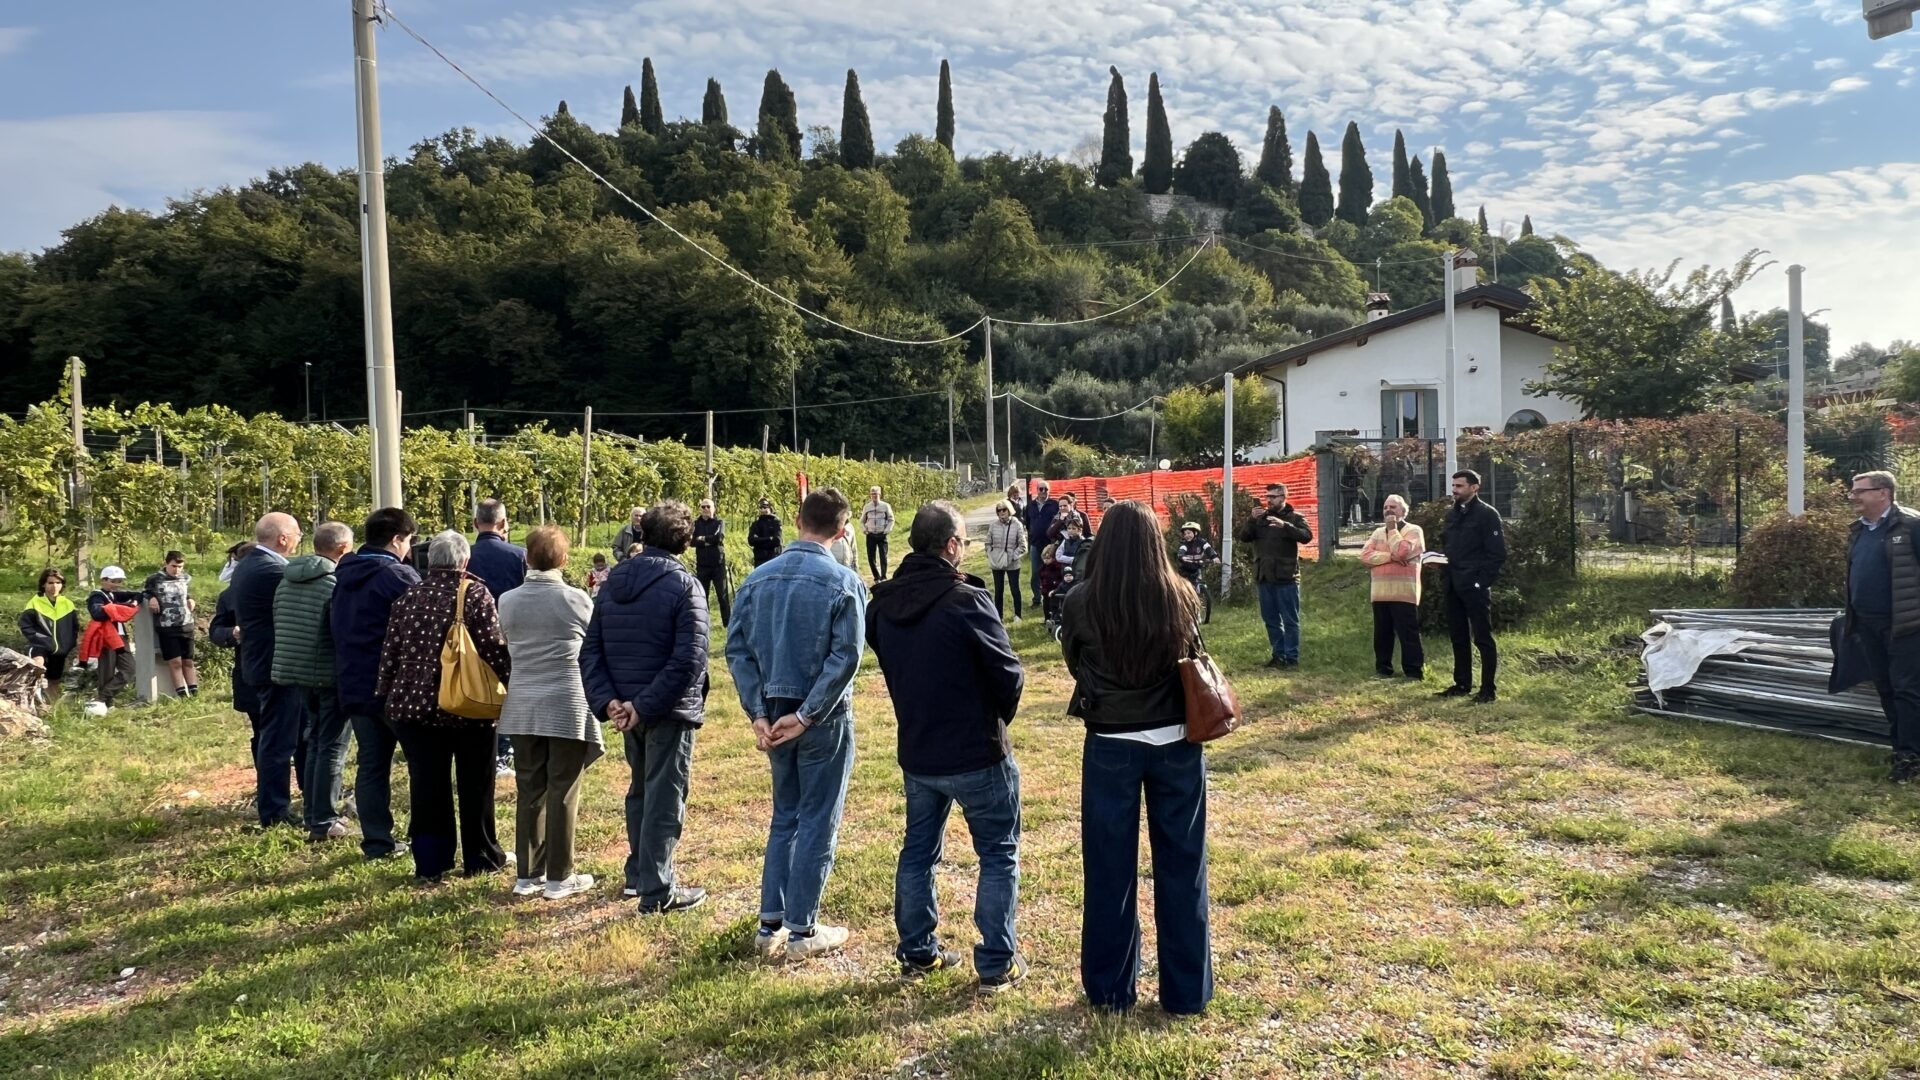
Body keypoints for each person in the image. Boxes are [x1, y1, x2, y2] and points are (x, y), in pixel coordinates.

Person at [1058, 500, 1212, 1016]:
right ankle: (1187, 993)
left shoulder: (1082, 600)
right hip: (1175, 742)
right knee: (1183, 865)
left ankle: (1109, 990)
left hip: (1110, 742)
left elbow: (1075, 661)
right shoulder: (1182, 595)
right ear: (1155, 542)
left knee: (1107, 868)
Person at [867, 501, 1028, 989]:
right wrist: (996, 717)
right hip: (975, 748)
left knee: (918, 851)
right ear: (953, 545)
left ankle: (918, 950)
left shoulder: (881, 605)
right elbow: (1009, 675)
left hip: (919, 748)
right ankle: (997, 961)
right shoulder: (965, 600)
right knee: (998, 852)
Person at [726, 488, 866, 962]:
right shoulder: (844, 581)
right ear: (843, 530)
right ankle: (803, 929)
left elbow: (738, 650)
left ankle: (771, 924)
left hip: (774, 711)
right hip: (819, 717)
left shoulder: (755, 579)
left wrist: (759, 712)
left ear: (797, 519)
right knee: (817, 819)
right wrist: (808, 714)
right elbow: (846, 656)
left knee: (785, 814)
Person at [581, 502, 712, 913]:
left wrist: (613, 702)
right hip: (665, 709)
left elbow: (591, 651)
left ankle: (639, 874)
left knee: (641, 790)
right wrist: (638, 705)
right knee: (664, 796)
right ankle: (658, 889)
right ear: (685, 540)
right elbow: (690, 659)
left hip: (631, 707)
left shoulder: (614, 581)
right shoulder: (685, 585)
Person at [376, 530, 514, 882]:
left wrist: (386, 694)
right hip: (467, 707)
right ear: (464, 560)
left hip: (415, 708)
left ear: (429, 560)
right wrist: (507, 687)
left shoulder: (409, 596)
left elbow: (390, 652)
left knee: (427, 786)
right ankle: (481, 857)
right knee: (475, 783)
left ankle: (430, 862)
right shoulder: (474, 594)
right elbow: (493, 648)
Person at [498, 525, 604, 900]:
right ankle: (560, 875)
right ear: (563, 559)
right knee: (563, 788)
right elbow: (594, 643)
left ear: (527, 557)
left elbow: (506, 641)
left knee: (530, 787)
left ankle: (528, 874)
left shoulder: (507, 600)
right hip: (567, 701)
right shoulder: (576, 599)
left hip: (523, 702)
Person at [330, 506, 420, 860]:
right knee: (420, 761)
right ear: (397, 538)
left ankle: (377, 842)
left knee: (371, 764)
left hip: (354, 682)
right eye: (408, 541)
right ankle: (421, 834)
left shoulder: (343, 574)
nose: (409, 549)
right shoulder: (398, 577)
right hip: (396, 687)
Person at [271, 521, 355, 842]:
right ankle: (323, 819)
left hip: (299, 671)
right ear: (342, 549)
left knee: (315, 742)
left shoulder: (288, 580)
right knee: (332, 746)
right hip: (329, 673)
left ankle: (312, 813)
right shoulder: (335, 583)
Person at [1840, 471, 1920, 782]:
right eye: (1853, 491)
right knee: (1885, 688)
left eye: (1860, 491)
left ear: (1883, 493)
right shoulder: (1860, 530)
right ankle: (1900, 747)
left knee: (1907, 690)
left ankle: (1910, 757)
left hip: (1905, 625)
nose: (1853, 496)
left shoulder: (1911, 526)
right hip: (1867, 624)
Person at [226, 513, 306, 827]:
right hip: (276, 665)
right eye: (297, 533)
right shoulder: (272, 570)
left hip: (263, 661)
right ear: (282, 538)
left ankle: (293, 802)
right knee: (277, 742)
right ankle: (275, 812)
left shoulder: (250, 564)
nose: (300, 539)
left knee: (289, 736)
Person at [468, 498, 526, 775]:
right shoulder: (519, 556)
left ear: (475, 523)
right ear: (504, 523)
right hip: (509, 636)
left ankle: (478, 749)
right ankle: (504, 753)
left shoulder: (464, 556)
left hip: (468, 639)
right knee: (507, 695)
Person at [1437, 470, 1506, 703]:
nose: (1455, 490)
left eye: (1460, 486)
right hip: (1453, 583)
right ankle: (1462, 683)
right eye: (1453, 485)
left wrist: (1480, 582)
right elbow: (1449, 546)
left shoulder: (1487, 514)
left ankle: (1488, 689)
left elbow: (1497, 554)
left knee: (1483, 638)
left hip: (1474, 585)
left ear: (1475, 487)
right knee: (1458, 636)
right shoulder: (1452, 514)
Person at [1236, 482, 1314, 669]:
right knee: (1270, 620)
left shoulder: (1295, 517)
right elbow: (1244, 537)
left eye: (1273, 497)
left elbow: (1306, 536)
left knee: (1290, 621)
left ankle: (1291, 658)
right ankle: (1278, 655)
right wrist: (1251, 520)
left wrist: (1285, 526)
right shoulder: (1261, 518)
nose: (1268, 500)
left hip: (1286, 577)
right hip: (1264, 576)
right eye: (1267, 497)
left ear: (1283, 497)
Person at [1360, 494, 1425, 680]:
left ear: (1403, 511)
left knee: (1408, 633)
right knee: (1382, 634)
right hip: (1380, 593)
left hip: (1404, 592)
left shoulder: (1414, 530)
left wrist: (1392, 530)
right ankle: (1383, 669)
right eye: (1385, 507)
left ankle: (1413, 671)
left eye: (1393, 507)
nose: (1388, 510)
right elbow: (1365, 556)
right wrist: (1390, 557)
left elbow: (1403, 551)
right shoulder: (1377, 532)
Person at [82, 566, 141, 708]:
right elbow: (97, 614)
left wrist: (132, 603)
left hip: (121, 637)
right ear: (104, 580)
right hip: (107, 638)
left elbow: (138, 595)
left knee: (130, 669)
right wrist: (117, 608)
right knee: (106, 671)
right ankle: (105, 704)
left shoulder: (113, 596)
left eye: (119, 581)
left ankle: (103, 697)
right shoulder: (97, 596)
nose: (117, 585)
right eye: (114, 581)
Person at [19, 569, 78, 704]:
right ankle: (29, 701)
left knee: (54, 681)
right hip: (40, 646)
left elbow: (74, 627)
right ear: (43, 585)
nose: (55, 586)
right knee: (37, 667)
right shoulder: (34, 602)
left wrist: (70, 644)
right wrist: (39, 639)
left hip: (60, 650)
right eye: (50, 582)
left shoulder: (68, 604)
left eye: (58, 582)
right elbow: (25, 625)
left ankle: (52, 710)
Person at [144, 551, 198, 697]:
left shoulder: (185, 578)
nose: (177, 570)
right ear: (166, 563)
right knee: (175, 662)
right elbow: (145, 592)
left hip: (186, 623)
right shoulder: (155, 579)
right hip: (167, 625)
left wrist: (191, 600)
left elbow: (186, 593)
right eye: (174, 566)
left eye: (180, 567)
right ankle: (181, 695)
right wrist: (151, 598)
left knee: (188, 661)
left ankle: (194, 693)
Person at [985, 500, 1029, 622]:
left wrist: (1012, 556)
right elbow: (988, 542)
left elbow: (1023, 546)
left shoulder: (1017, 524)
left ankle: (1018, 615)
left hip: (1012, 562)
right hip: (997, 562)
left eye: (1004, 509)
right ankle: (999, 616)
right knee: (998, 590)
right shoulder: (993, 525)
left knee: (1015, 589)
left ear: (1009, 510)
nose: (1001, 512)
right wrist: (991, 554)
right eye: (999, 510)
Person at [690, 498, 732, 625]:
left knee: (722, 595)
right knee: (703, 596)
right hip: (702, 565)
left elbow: (719, 538)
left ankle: (728, 623)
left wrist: (702, 539)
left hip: (718, 564)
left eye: (708, 506)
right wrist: (708, 540)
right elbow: (691, 542)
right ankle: (703, 622)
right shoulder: (696, 524)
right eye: (703, 507)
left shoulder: (719, 522)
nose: (706, 509)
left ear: (714, 508)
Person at [1024, 481, 1058, 608]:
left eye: (1046, 489)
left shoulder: (1054, 505)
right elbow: (1027, 523)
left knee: (1051, 572)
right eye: (1041, 489)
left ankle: (1050, 598)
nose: (1043, 492)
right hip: (1035, 544)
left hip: (1050, 544)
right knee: (1035, 573)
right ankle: (1037, 599)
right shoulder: (1030, 506)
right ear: (1036, 490)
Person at [862, 486, 896, 583]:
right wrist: (865, 530)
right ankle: (876, 577)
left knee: (883, 556)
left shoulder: (885, 506)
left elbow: (891, 519)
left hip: (882, 534)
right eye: (872, 494)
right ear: (870, 495)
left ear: (880, 494)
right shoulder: (867, 507)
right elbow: (862, 521)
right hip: (871, 535)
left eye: (876, 494)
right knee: (871, 557)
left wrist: (887, 530)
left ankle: (884, 576)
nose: (874, 496)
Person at [1174, 522, 1218, 592]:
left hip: (1197, 567)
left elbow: (1208, 549)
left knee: (1199, 581)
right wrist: (1182, 556)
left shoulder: (1201, 542)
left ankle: (1201, 597)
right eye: (1185, 534)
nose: (1187, 535)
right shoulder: (1185, 544)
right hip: (1185, 569)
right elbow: (1181, 551)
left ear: (1195, 533)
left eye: (1189, 533)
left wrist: (1214, 557)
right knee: (1182, 588)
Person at [748, 498, 783, 566]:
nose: (763, 509)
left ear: (770, 508)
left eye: (765, 507)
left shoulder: (776, 522)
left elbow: (777, 541)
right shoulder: (756, 524)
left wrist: (759, 542)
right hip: (760, 560)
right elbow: (751, 540)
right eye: (761, 507)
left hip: (773, 558)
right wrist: (769, 539)